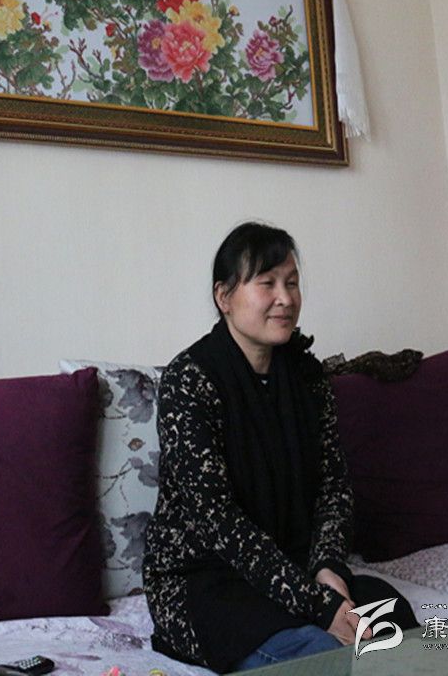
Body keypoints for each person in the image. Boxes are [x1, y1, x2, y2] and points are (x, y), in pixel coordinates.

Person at [142, 222, 417, 672]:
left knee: (394, 621)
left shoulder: (308, 376)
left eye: (291, 282)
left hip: (296, 569)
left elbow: (333, 487)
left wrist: (328, 568)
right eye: (267, 283)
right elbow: (217, 521)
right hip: (205, 580)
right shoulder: (189, 381)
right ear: (224, 297)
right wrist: (318, 604)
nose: (285, 298)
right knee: (320, 655)